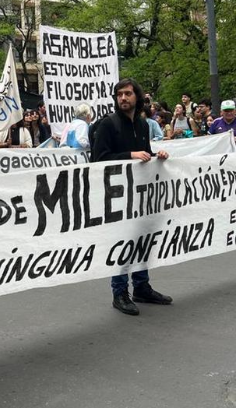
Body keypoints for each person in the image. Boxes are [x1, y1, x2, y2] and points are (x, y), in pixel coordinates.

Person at [90, 79, 172, 316]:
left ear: (138, 97)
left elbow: (143, 154)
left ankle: (141, 286)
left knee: (142, 240)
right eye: (119, 94)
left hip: (140, 194)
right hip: (116, 196)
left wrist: (158, 155)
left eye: (127, 94)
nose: (123, 98)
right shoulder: (108, 124)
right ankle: (119, 292)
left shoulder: (144, 125)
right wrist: (130, 155)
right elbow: (98, 160)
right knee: (123, 242)